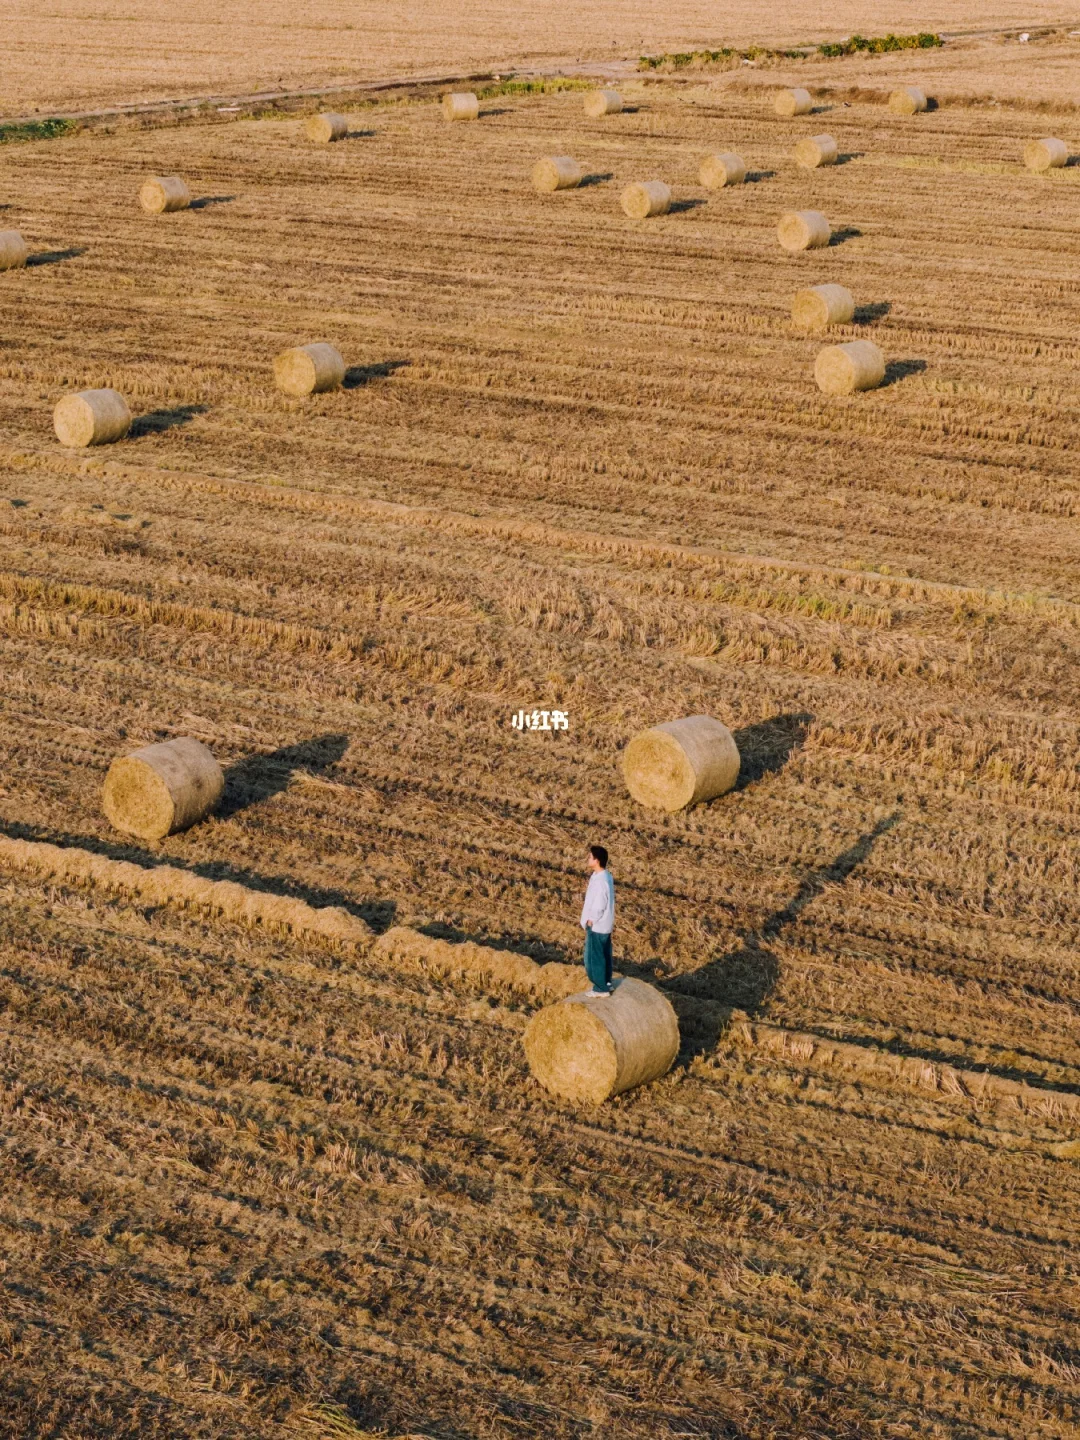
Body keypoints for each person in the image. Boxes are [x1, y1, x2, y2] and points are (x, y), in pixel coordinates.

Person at [580, 844, 615, 997]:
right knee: (604, 955)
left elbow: (600, 904)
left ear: (597, 860)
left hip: (597, 925)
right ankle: (606, 983)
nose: (588, 859)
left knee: (593, 959)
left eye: (590, 857)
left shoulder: (601, 881)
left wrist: (591, 920)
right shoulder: (604, 876)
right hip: (604, 924)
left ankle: (600, 989)